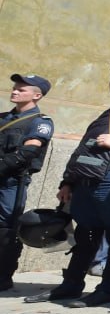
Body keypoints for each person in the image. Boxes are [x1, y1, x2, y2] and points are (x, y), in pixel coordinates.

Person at [26, 65, 110, 307]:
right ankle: (71, 285)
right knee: (85, 236)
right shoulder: (107, 114)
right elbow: (83, 149)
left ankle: (107, 289)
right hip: (86, 182)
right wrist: (68, 182)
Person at [0, 74, 55, 292]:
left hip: (12, 182)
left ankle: (3, 275)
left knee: (5, 228)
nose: (15, 91)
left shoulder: (40, 121)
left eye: (22, 89)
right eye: (15, 88)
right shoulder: (3, 118)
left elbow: (28, 152)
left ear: (37, 95)